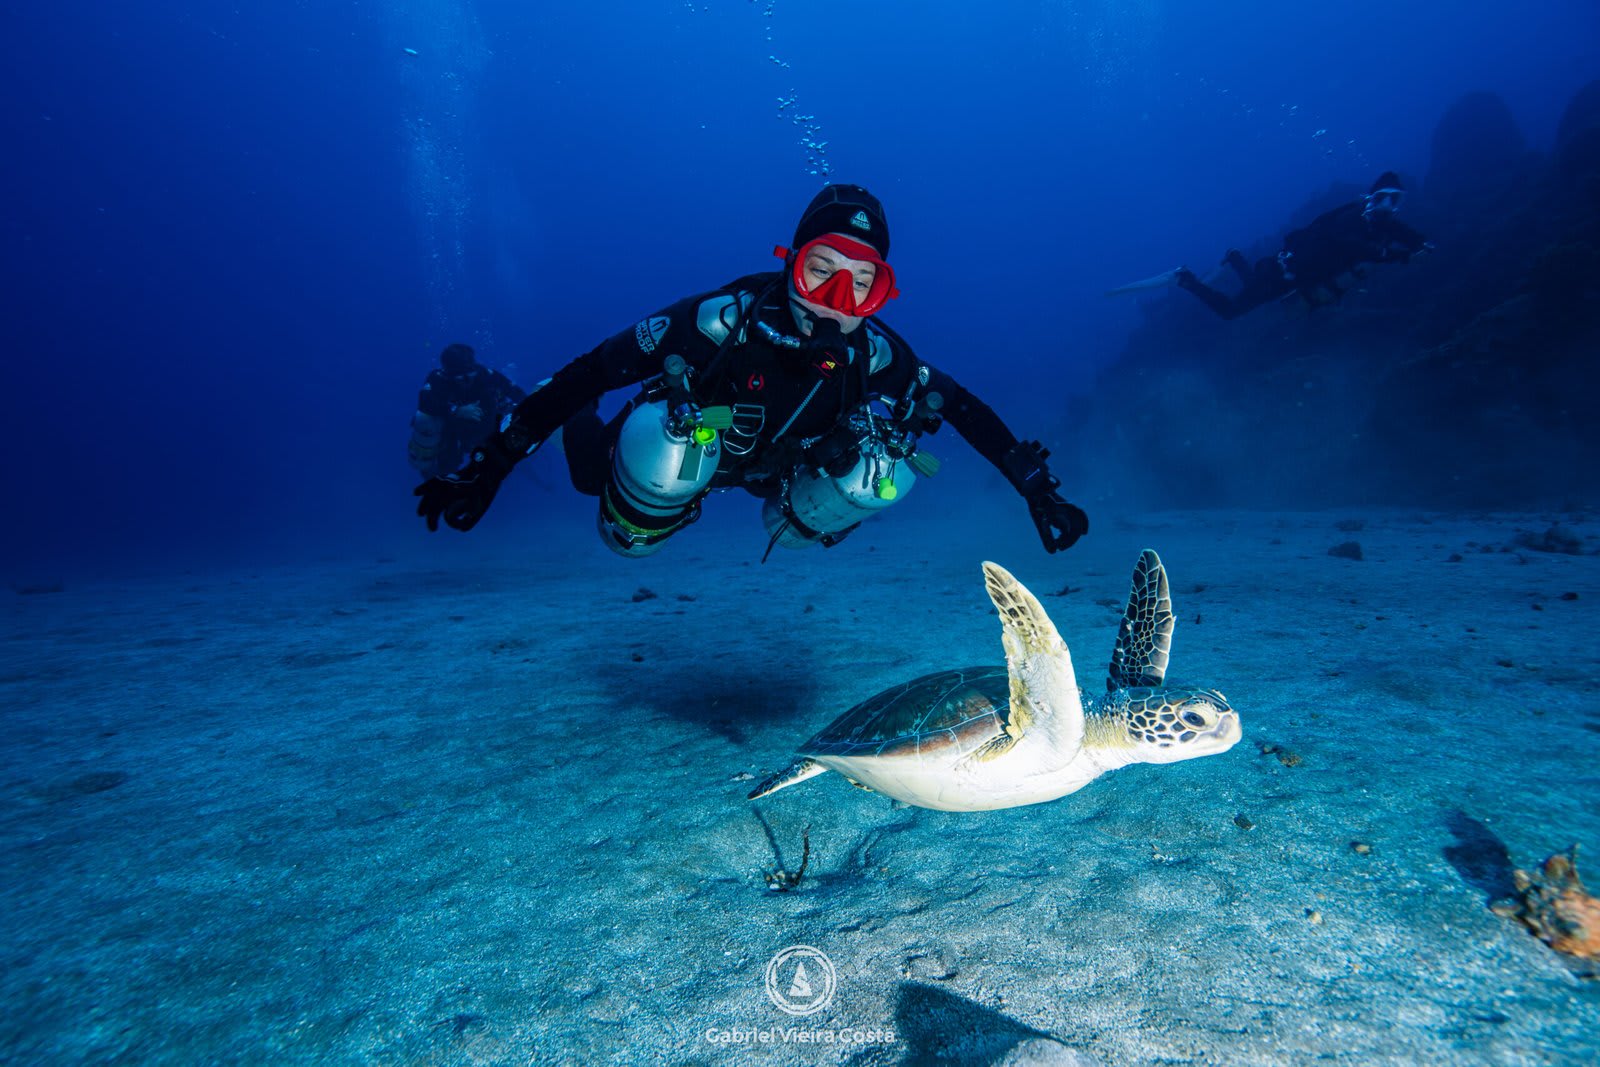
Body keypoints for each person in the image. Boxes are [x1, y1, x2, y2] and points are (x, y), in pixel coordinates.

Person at [413, 184, 1089, 558]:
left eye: (862, 286)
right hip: (692, 441)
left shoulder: (874, 355)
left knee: (870, 479)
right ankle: (577, 434)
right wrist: (490, 464)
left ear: (883, 294)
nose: (835, 303)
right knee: (599, 482)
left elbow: (961, 406)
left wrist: (1035, 486)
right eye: (819, 272)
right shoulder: (717, 321)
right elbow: (594, 369)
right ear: (788, 264)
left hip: (784, 471)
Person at [1175, 172, 1433, 320]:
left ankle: (1235, 257)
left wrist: (1422, 245)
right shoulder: (1351, 218)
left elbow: (1411, 236)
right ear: (1370, 199)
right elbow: (1352, 246)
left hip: (1301, 278)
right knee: (1231, 311)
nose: (1387, 206)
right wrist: (1400, 255)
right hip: (1284, 272)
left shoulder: (1384, 225)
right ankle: (1188, 280)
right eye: (1381, 198)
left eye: (1394, 200)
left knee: (1252, 285)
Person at [407, 343, 527, 477]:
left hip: (483, 427)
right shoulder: (437, 379)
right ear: (447, 373)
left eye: (470, 373)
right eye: (460, 377)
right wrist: (456, 410)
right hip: (451, 431)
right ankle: (439, 482)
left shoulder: (484, 374)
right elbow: (425, 402)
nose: (466, 380)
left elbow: (512, 390)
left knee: (495, 457)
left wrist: (530, 405)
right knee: (444, 461)